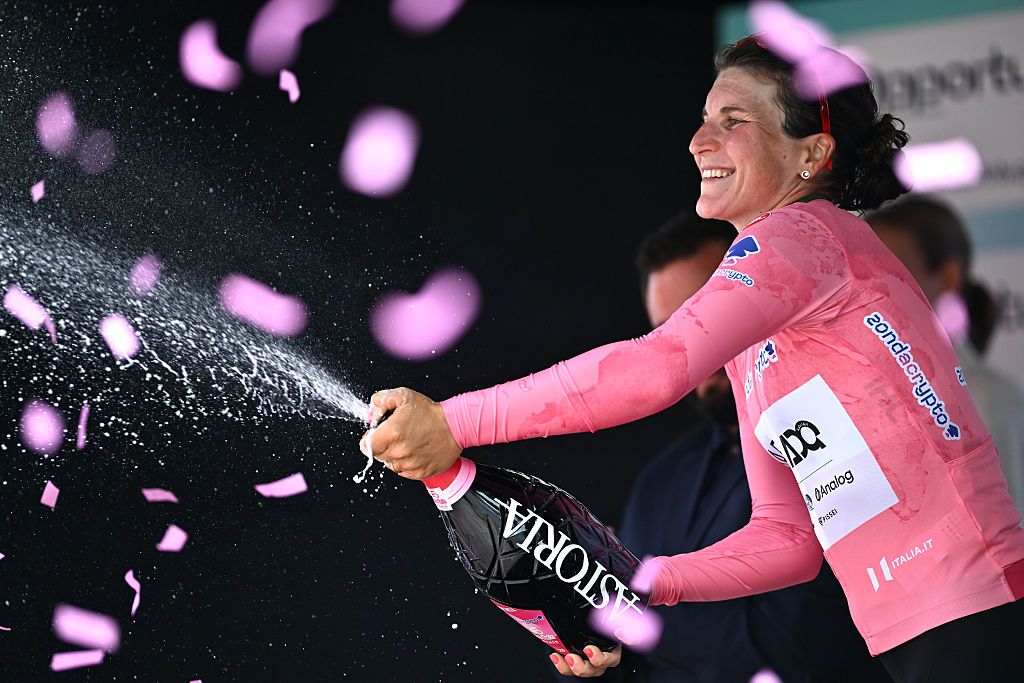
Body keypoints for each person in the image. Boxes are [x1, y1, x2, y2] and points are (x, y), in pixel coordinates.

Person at [361, 33, 1024, 683]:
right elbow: (786, 539)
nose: (698, 140)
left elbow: (656, 368)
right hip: (917, 627)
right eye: (703, 118)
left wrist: (453, 422)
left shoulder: (803, 234)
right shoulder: (765, 326)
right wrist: (642, 581)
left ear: (811, 155)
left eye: (733, 121)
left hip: (974, 602)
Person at [612, 212, 885, 682]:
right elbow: (619, 645)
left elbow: (804, 645)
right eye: (669, 334)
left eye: (708, 318)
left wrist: (655, 632)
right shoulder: (660, 480)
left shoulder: (847, 440)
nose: (695, 351)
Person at [866, 196, 1024, 519]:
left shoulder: (986, 398)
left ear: (948, 277)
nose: (870, 287)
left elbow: (1007, 541)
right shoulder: (860, 393)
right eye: (862, 269)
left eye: (890, 270)